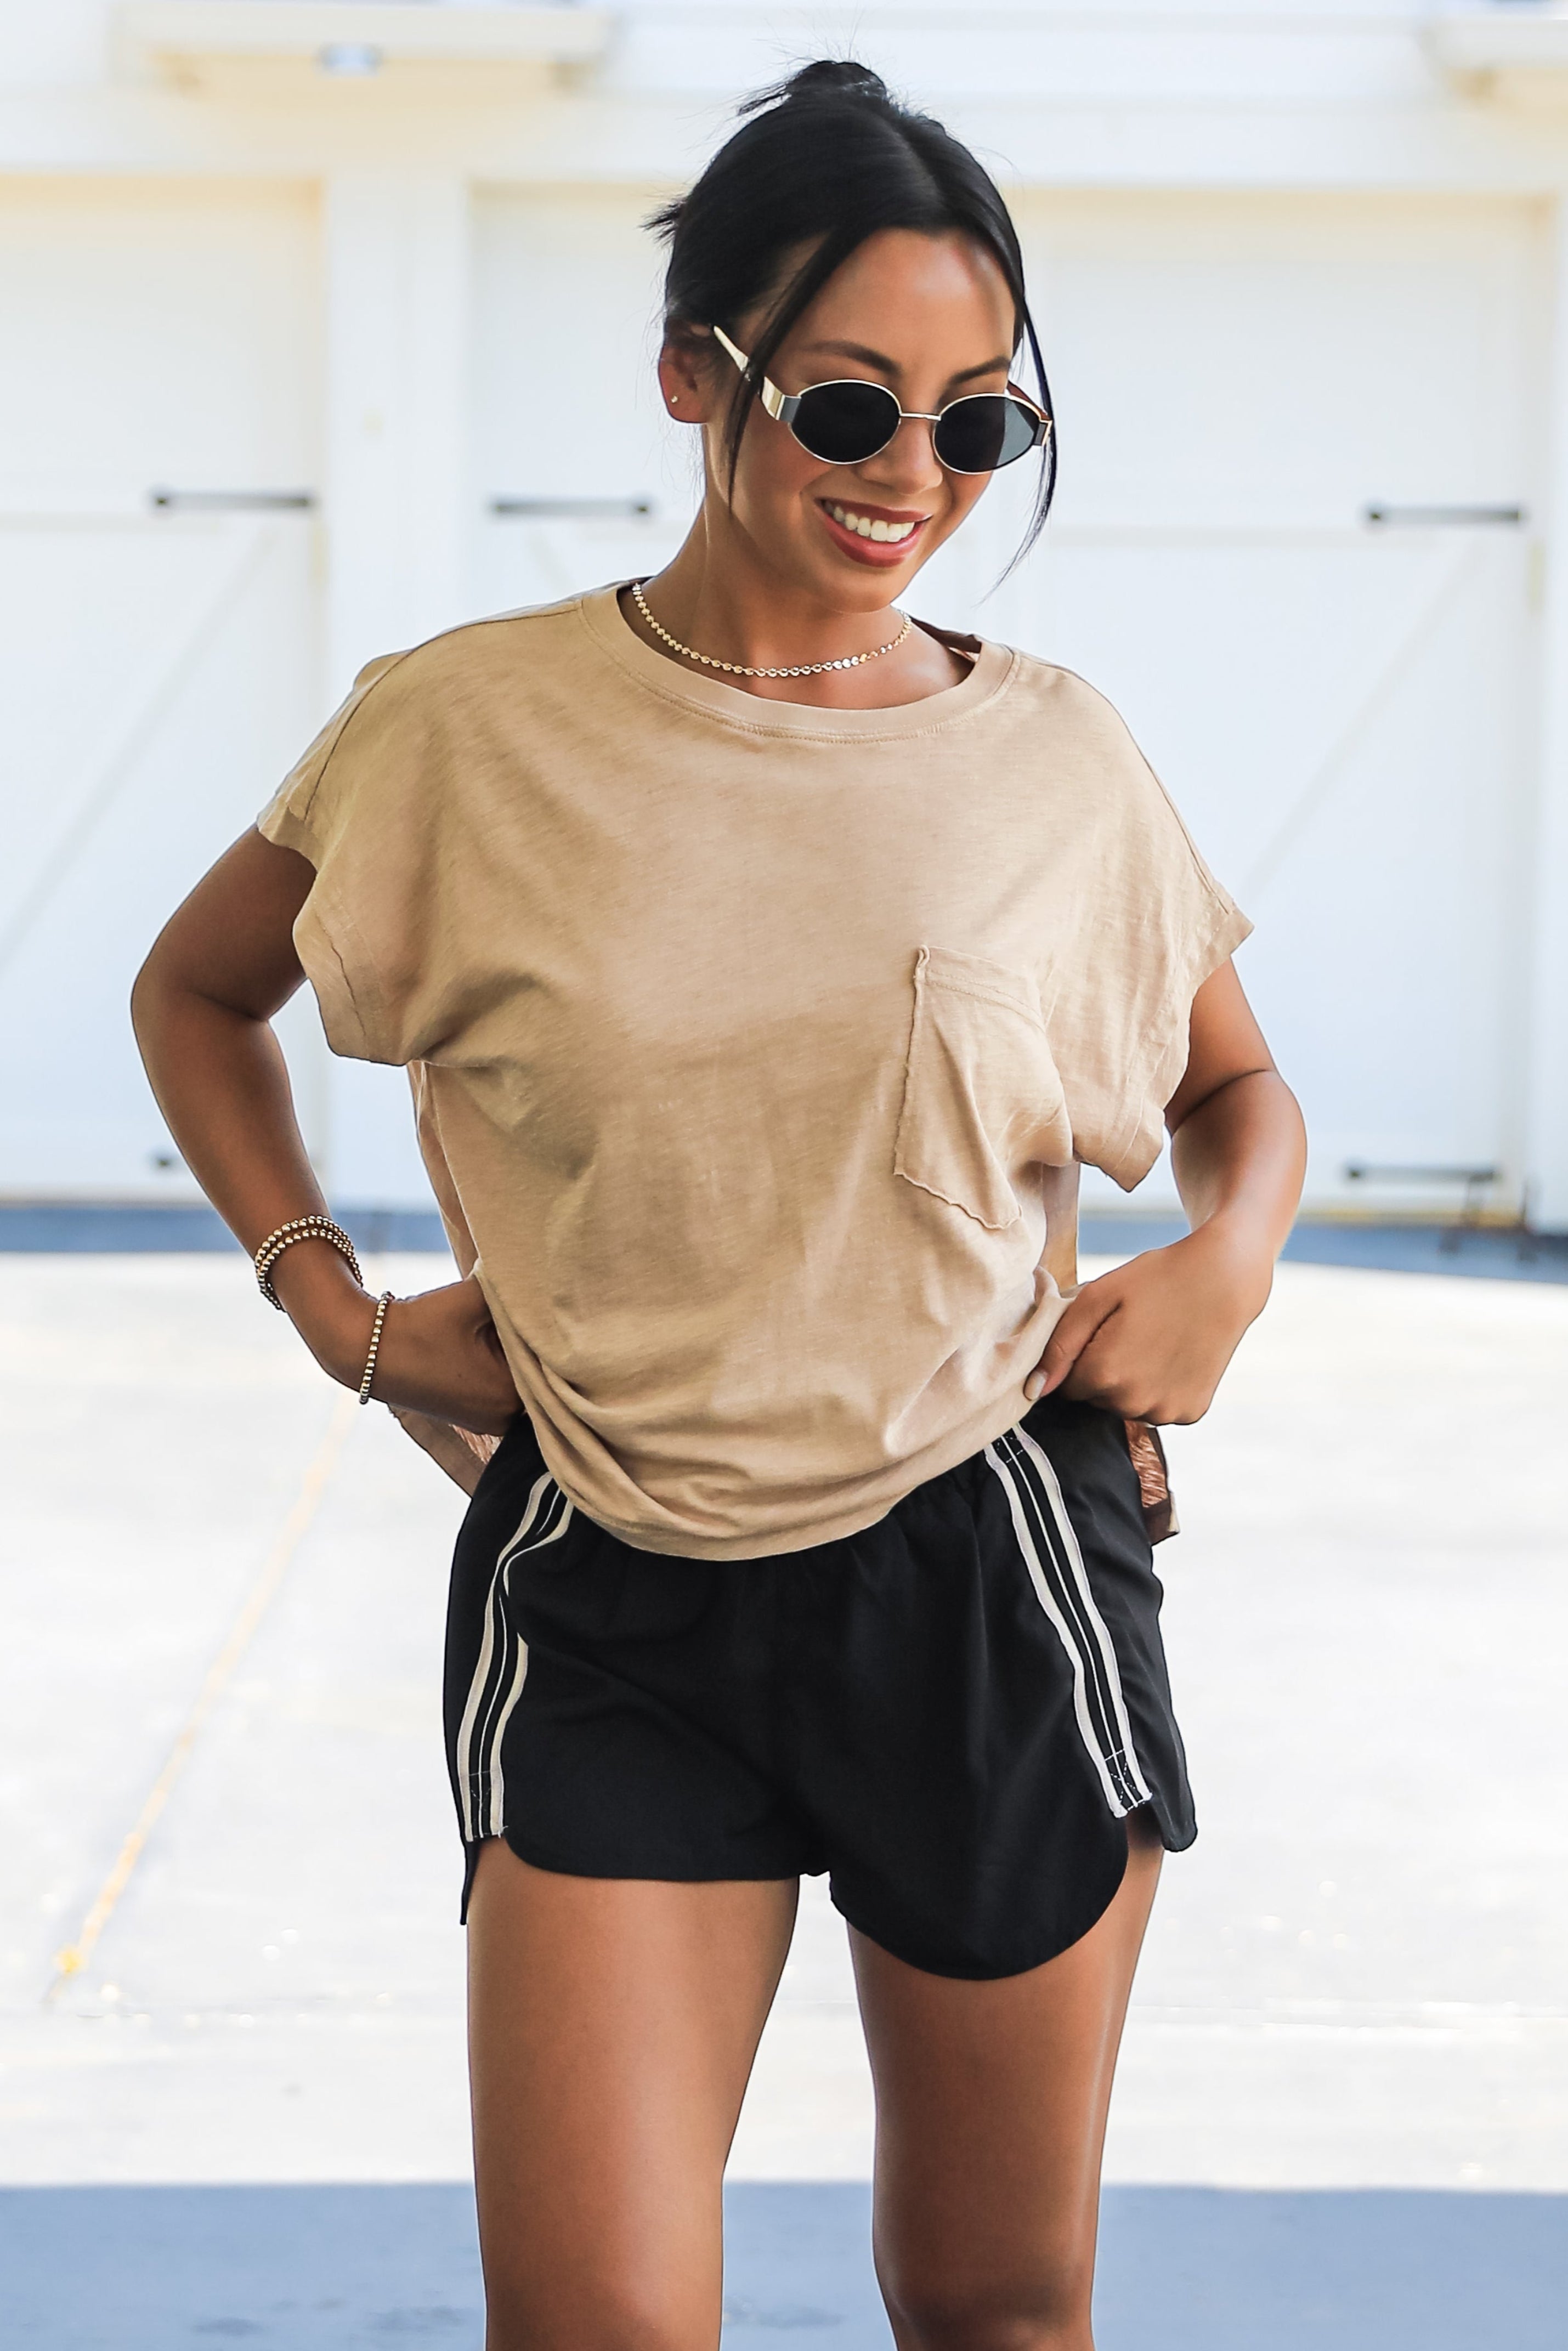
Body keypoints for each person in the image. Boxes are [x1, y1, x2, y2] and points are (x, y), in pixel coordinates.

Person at [132, 59, 1306, 2351]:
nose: (911, 479)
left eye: (981, 428)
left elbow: (1239, 1095)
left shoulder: (1052, 756)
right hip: (613, 1586)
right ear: (693, 373)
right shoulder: (461, 731)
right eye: (852, 404)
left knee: (990, 2303)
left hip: (986, 1574)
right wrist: (326, 1298)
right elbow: (198, 990)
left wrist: (1227, 1264)